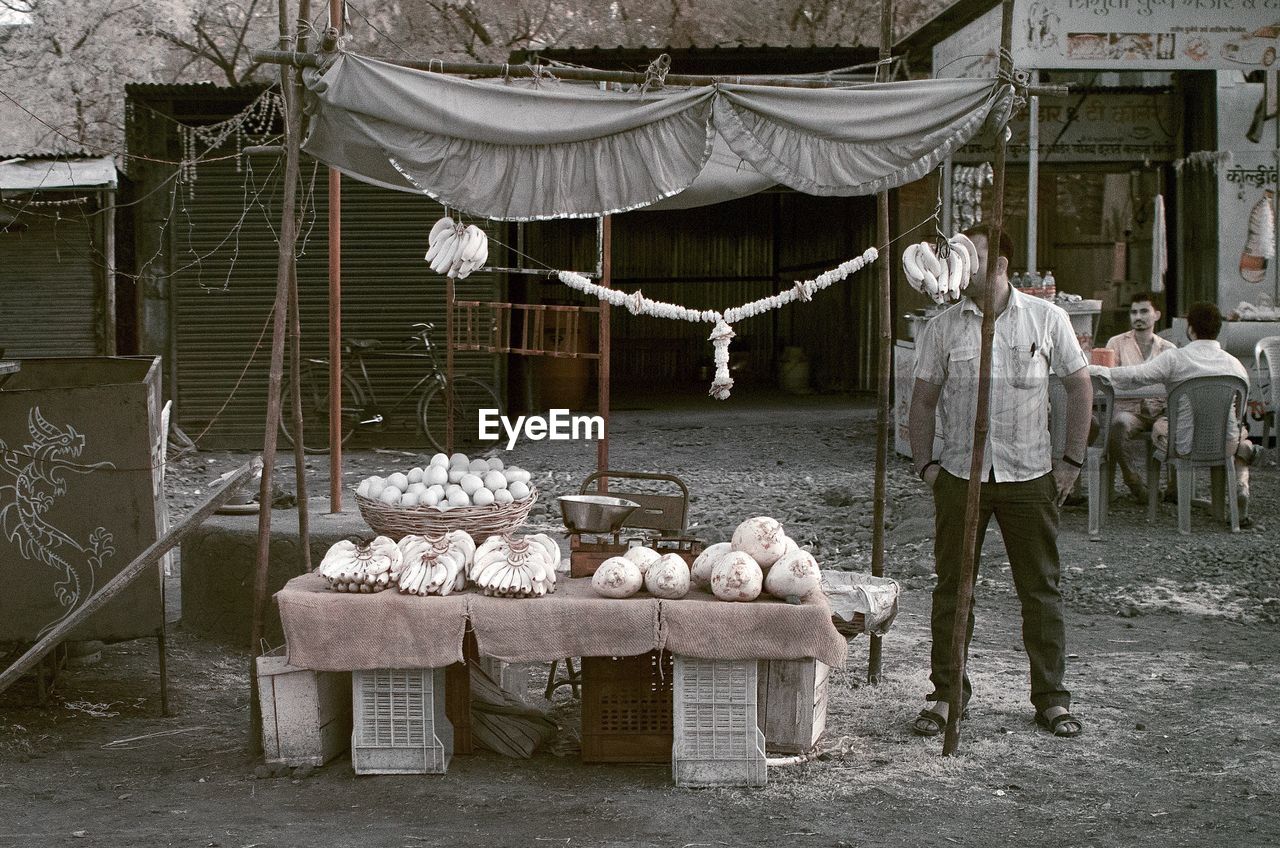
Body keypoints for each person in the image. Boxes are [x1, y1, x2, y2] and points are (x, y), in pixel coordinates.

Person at [909, 227, 1092, 740]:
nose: (963, 265)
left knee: (1040, 590)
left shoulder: (1046, 318)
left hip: (1029, 476)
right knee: (953, 589)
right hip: (961, 477)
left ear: (1002, 264)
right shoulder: (942, 327)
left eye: (976, 255)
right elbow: (922, 400)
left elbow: (1079, 386)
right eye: (958, 256)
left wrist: (1072, 460)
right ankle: (947, 695)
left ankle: (1052, 700)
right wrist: (927, 465)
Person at [1091, 301, 1265, 527]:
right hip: (1224, 443)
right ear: (1218, 331)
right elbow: (1240, 411)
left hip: (1183, 444)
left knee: (1160, 428)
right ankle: (1241, 486)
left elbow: (1135, 375)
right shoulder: (1235, 366)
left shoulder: (1175, 358)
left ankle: (1158, 501)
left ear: (1190, 329)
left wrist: (1096, 370)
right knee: (1242, 438)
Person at [1104, 293, 1177, 502]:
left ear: (1156, 315)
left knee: (1179, 425)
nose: (1138, 316)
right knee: (1118, 425)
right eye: (1134, 312)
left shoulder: (1168, 349)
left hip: (1159, 411)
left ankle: (1175, 488)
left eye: (1144, 311)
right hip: (1129, 410)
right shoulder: (1116, 343)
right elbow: (1110, 379)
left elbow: (1172, 385)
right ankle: (1133, 481)